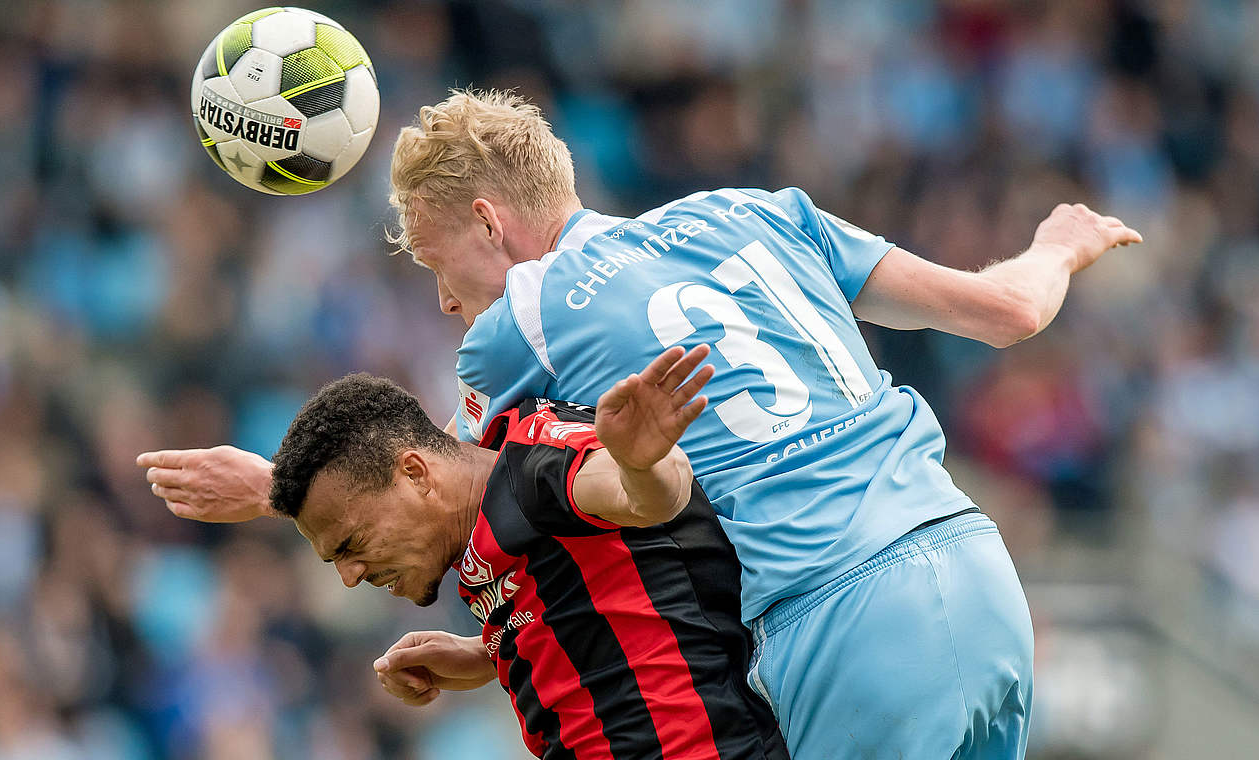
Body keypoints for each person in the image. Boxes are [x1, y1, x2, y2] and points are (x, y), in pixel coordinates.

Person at [140, 90, 1143, 758]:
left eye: (440, 266)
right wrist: (1057, 245)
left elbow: (436, 486)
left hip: (834, 616)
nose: (447, 304)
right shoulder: (759, 211)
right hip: (975, 569)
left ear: (491, 226)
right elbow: (1007, 312)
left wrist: (274, 485)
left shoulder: (520, 321)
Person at [262, 345, 788, 759]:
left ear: (416, 474)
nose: (350, 577)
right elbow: (591, 604)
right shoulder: (482, 520)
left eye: (350, 546)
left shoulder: (535, 469)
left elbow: (650, 497)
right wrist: (490, 655)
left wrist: (642, 462)